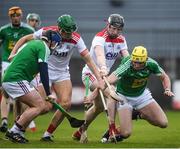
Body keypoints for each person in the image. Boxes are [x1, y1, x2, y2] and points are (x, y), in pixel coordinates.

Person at [8, 14, 105, 141]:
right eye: (67, 32)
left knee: (66, 103)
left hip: (62, 73)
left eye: (72, 31)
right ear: (60, 29)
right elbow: (25, 39)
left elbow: (89, 60)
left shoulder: (76, 39)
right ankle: (19, 126)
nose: (70, 34)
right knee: (43, 107)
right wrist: (13, 53)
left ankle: (47, 134)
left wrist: (100, 79)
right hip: (44, 69)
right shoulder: (47, 32)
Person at [72, 14, 129, 143]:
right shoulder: (99, 38)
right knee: (111, 93)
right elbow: (99, 54)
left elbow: (126, 58)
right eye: (113, 28)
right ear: (108, 25)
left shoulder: (121, 39)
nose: (116, 32)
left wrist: (132, 65)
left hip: (104, 77)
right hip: (90, 74)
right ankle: (112, 129)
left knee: (97, 109)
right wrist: (103, 67)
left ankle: (81, 130)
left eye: (119, 29)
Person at [101, 45, 174, 143]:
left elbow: (164, 77)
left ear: (145, 60)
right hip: (123, 97)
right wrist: (103, 83)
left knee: (163, 123)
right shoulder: (127, 65)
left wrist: (167, 89)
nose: (135, 64)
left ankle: (138, 114)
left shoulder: (152, 64)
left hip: (141, 95)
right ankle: (116, 131)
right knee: (125, 134)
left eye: (139, 62)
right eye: (134, 61)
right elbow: (109, 80)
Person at [2, 30, 62, 143]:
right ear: (50, 41)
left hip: (13, 78)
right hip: (15, 79)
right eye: (55, 43)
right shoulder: (44, 47)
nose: (55, 46)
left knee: (35, 104)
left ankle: (19, 132)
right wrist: (48, 93)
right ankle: (14, 131)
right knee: (39, 105)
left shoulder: (33, 43)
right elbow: (44, 71)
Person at [0, 6, 34, 133]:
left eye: (17, 15)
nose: (15, 18)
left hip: (21, 64)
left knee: (20, 95)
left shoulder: (28, 29)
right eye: (13, 16)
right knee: (5, 92)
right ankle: (4, 120)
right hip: (7, 62)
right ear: (10, 17)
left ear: (21, 16)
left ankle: (17, 121)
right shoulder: (3, 30)